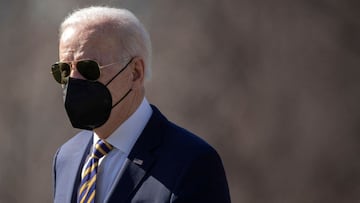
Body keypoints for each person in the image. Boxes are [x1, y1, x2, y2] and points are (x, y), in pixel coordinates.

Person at [51, 6, 231, 203]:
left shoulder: (192, 163)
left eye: (88, 68)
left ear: (135, 72)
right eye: (64, 69)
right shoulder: (66, 158)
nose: (74, 80)